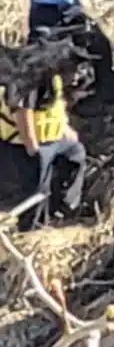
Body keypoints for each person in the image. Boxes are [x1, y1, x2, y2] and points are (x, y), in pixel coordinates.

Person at [0, 50, 85, 220]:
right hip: (25, 144)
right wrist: (32, 148)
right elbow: (24, 114)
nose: (76, 74)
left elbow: (55, 108)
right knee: (37, 190)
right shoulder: (29, 82)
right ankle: (30, 228)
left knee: (76, 153)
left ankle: (67, 206)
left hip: (54, 139)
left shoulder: (54, 79)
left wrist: (66, 130)